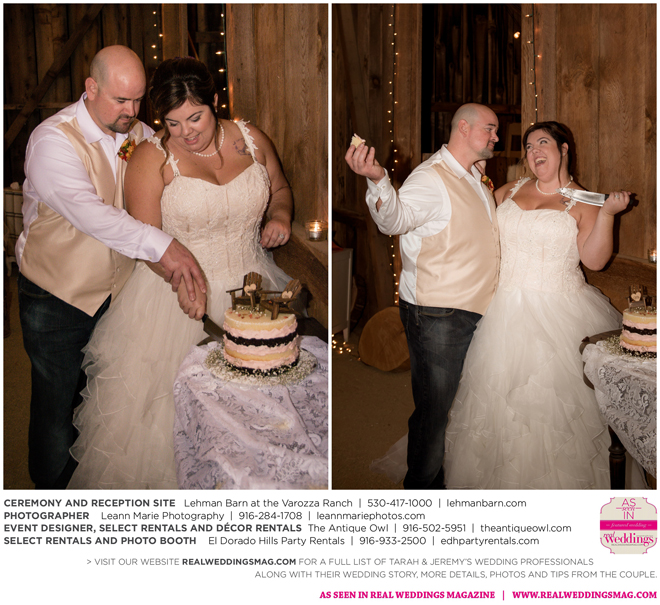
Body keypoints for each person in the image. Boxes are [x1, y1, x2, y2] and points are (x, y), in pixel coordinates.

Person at [67, 57, 294, 489]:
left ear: (215, 102)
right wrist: (180, 281)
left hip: (252, 290)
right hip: (176, 298)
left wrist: (280, 216)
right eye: (172, 123)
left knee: (256, 419)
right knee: (173, 425)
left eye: (195, 117)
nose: (186, 132)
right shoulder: (149, 159)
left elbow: (279, 188)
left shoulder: (251, 139)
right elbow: (145, 242)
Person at [17, 46, 206, 490]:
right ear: (91, 88)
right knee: (56, 406)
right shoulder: (51, 141)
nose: (133, 111)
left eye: (138, 100)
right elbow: (93, 215)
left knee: (99, 398)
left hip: (120, 294)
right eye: (122, 100)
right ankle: (51, 500)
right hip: (55, 295)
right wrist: (165, 247)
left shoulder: (138, 133)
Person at [443, 121, 629, 489]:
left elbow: (594, 261)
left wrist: (608, 214)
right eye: (528, 146)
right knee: (495, 405)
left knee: (552, 414)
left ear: (563, 149)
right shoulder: (511, 189)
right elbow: (476, 223)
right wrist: (474, 182)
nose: (534, 152)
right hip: (502, 309)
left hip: (560, 314)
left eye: (543, 143)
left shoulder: (586, 201)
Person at [345, 103, 501, 489]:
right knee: (434, 411)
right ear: (463, 128)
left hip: (476, 308)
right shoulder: (431, 178)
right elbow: (394, 220)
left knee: (457, 403)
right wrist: (378, 180)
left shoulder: (474, 174)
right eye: (490, 129)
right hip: (439, 313)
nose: (496, 137)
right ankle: (420, 491)